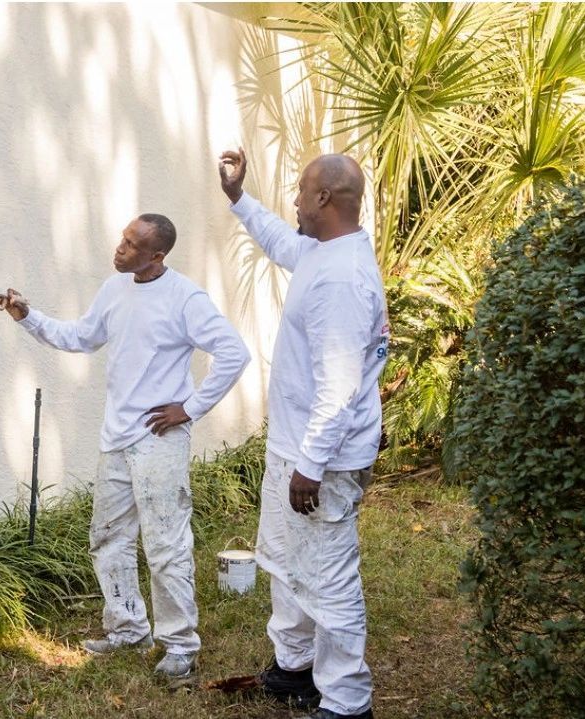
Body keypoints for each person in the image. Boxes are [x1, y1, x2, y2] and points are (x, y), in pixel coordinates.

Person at [0, 213, 250, 679]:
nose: (120, 249)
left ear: (157, 255)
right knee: (108, 538)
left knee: (165, 544)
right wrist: (27, 316)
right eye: (122, 239)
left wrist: (190, 408)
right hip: (116, 438)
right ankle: (129, 628)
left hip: (159, 440)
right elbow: (80, 337)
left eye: (132, 245)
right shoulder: (116, 288)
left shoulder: (185, 298)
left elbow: (234, 353)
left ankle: (180, 646)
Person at [217, 149, 388, 719]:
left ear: (324, 199)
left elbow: (338, 386)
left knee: (329, 576)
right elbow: (280, 242)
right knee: (288, 561)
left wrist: (310, 465)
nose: (293, 199)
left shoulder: (341, 280)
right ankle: (295, 668)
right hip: (298, 447)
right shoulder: (323, 251)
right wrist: (239, 198)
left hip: (324, 460)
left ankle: (345, 701)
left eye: (300, 191)